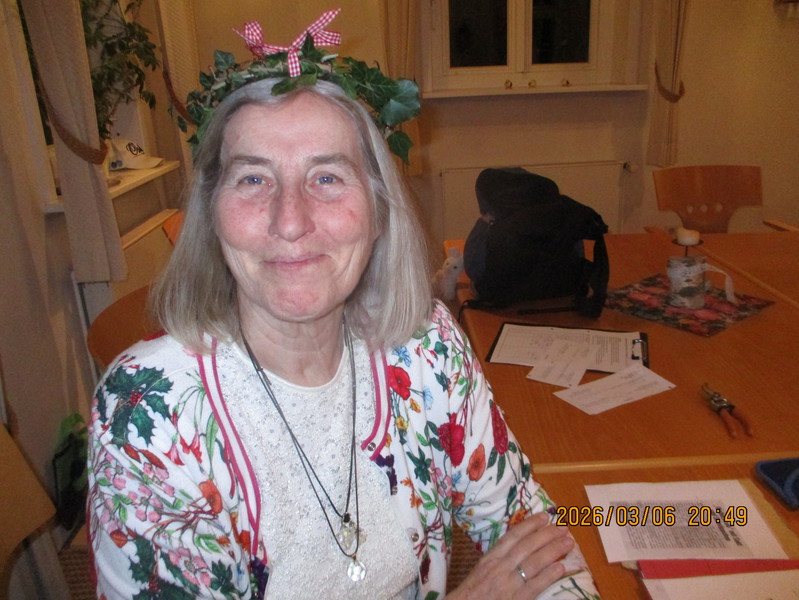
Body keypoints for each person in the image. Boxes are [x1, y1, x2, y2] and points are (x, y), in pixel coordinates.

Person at [86, 77, 600, 599]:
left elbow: (530, 531)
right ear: (211, 213)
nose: (290, 221)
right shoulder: (148, 411)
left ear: (379, 212)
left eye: (327, 177)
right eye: (253, 179)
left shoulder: (428, 344)